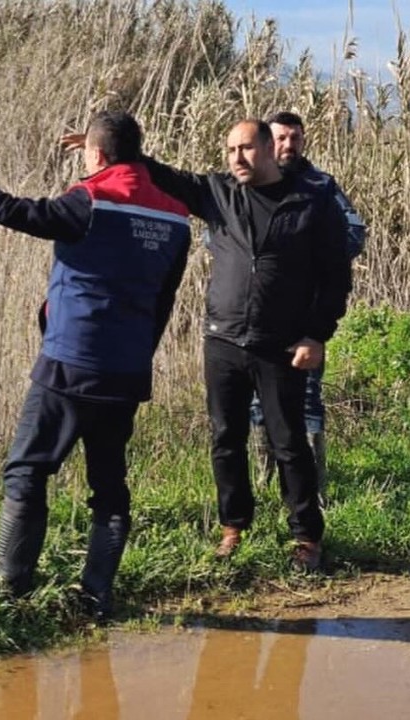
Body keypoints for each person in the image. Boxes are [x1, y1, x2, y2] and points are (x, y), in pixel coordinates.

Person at [0, 110, 191, 621]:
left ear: (96, 154)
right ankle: (96, 597)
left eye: (91, 152)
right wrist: (138, 355)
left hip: (70, 364)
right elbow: (165, 299)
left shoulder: (91, 201)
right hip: (126, 373)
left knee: (27, 472)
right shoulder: (175, 216)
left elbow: (15, 212)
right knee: (109, 484)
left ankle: (10, 589)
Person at [131, 119, 353, 571]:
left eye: (247, 148)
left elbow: (335, 276)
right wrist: (117, 151)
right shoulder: (218, 193)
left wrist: (317, 334)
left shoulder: (311, 202)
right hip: (224, 339)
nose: (236, 157)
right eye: (230, 149)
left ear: (270, 148)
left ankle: (307, 536)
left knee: (289, 441)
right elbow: (165, 175)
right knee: (225, 437)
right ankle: (234, 526)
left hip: (282, 344)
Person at [250, 111, 367, 492]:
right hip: (255, 316)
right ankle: (265, 484)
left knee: (307, 399)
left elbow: (354, 231)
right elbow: (221, 234)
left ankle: (312, 490)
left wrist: (311, 255)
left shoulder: (320, 185)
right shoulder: (250, 181)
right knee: (257, 403)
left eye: (294, 138)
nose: (288, 145)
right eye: (281, 138)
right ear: (268, 142)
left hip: (305, 317)